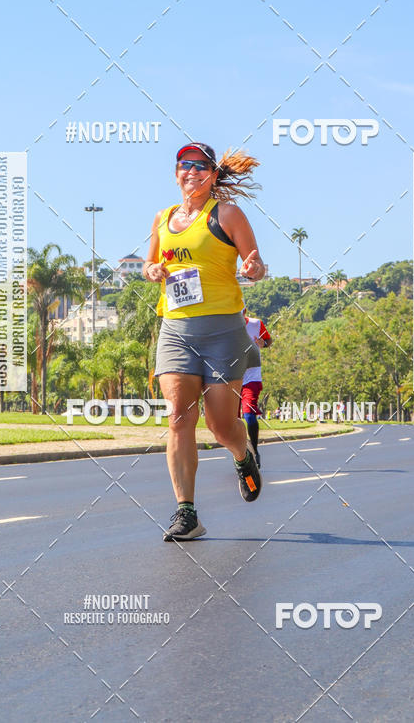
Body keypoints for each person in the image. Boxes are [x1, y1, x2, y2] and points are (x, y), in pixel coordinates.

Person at [143, 142, 266, 541]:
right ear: (175, 172)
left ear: (213, 175)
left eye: (199, 166)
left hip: (222, 331)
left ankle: (242, 455)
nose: (190, 172)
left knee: (219, 425)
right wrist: (152, 270)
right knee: (178, 417)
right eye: (184, 165)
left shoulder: (227, 214)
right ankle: (186, 513)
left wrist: (253, 266)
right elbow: (149, 263)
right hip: (176, 329)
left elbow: (256, 265)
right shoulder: (163, 218)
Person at [240, 311, 272, 468]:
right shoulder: (225, 325)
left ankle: (255, 451)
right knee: (232, 421)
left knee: (249, 416)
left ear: (244, 310)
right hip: (231, 378)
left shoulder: (256, 324)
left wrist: (263, 344)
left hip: (251, 378)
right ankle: (240, 454)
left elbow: (269, 340)